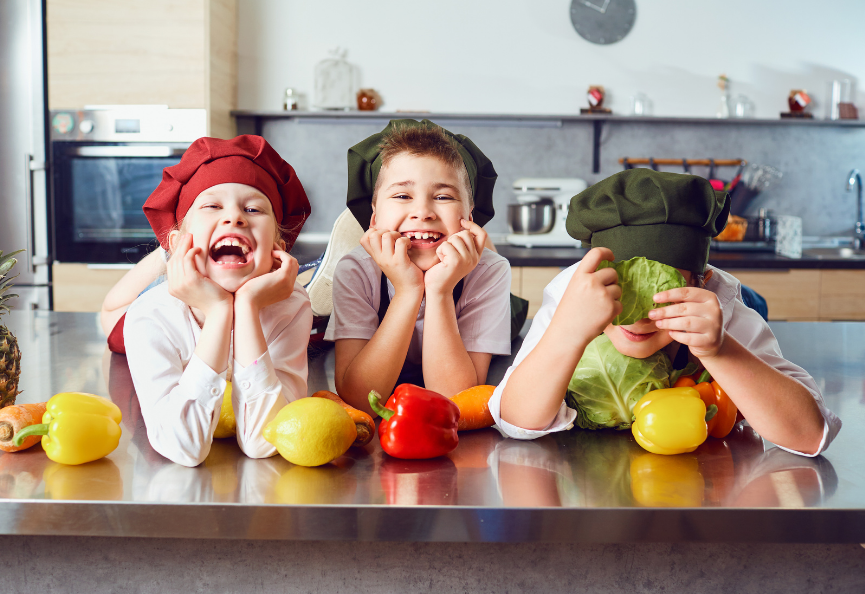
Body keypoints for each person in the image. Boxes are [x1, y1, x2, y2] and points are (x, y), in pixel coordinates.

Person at [490, 169, 841, 457]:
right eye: (625, 290)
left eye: (663, 294)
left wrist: (719, 349)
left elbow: (811, 435)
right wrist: (567, 331)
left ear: (704, 284)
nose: (638, 318)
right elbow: (515, 420)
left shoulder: (722, 305)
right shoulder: (574, 292)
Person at [123, 135, 312, 467]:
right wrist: (219, 309)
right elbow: (184, 447)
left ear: (278, 246)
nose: (235, 218)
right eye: (212, 205)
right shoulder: (149, 315)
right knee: (113, 310)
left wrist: (248, 307)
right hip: (136, 311)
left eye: (253, 208)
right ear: (181, 241)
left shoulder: (291, 305)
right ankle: (157, 262)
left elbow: (264, 440)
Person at [326, 120, 512, 412]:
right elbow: (359, 398)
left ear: (469, 216)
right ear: (373, 218)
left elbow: (455, 402)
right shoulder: (356, 269)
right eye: (402, 196)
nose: (423, 212)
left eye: (443, 197)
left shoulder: (490, 272)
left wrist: (439, 291)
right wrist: (408, 290)